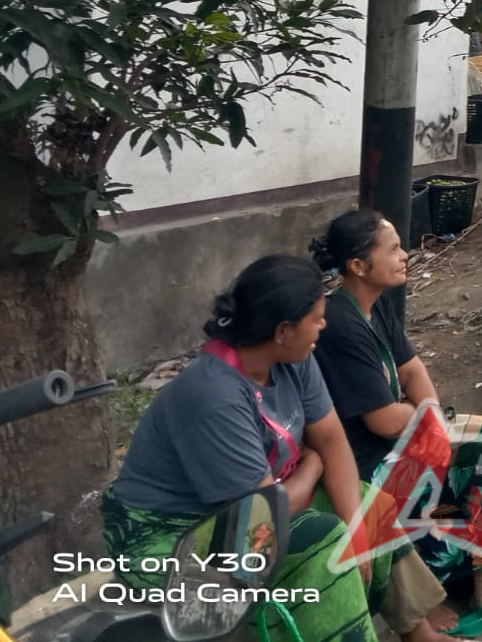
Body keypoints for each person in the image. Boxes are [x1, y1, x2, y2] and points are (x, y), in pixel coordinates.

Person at [104, 256, 453, 642]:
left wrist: (357, 528)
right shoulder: (213, 395)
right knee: (323, 540)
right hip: (170, 535)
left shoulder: (292, 360)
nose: (325, 324)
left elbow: (333, 441)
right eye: (317, 318)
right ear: (283, 330)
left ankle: (419, 633)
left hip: (250, 507)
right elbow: (263, 517)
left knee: (370, 505)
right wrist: (313, 466)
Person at [311, 211, 442, 481]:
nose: (405, 255)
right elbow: (387, 422)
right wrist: (422, 413)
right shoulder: (340, 324)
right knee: (475, 479)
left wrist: (431, 417)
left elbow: (412, 370)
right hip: (365, 464)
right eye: (393, 249)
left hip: (398, 440)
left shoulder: (377, 303)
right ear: (359, 266)